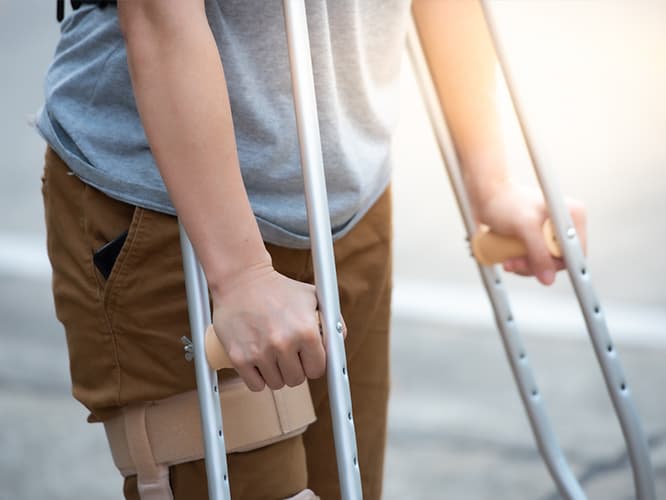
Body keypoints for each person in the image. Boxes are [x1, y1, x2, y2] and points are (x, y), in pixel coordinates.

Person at [38, 1, 585, 499]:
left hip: (345, 199)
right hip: (173, 210)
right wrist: (241, 274)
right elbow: (160, 17)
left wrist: (490, 180)